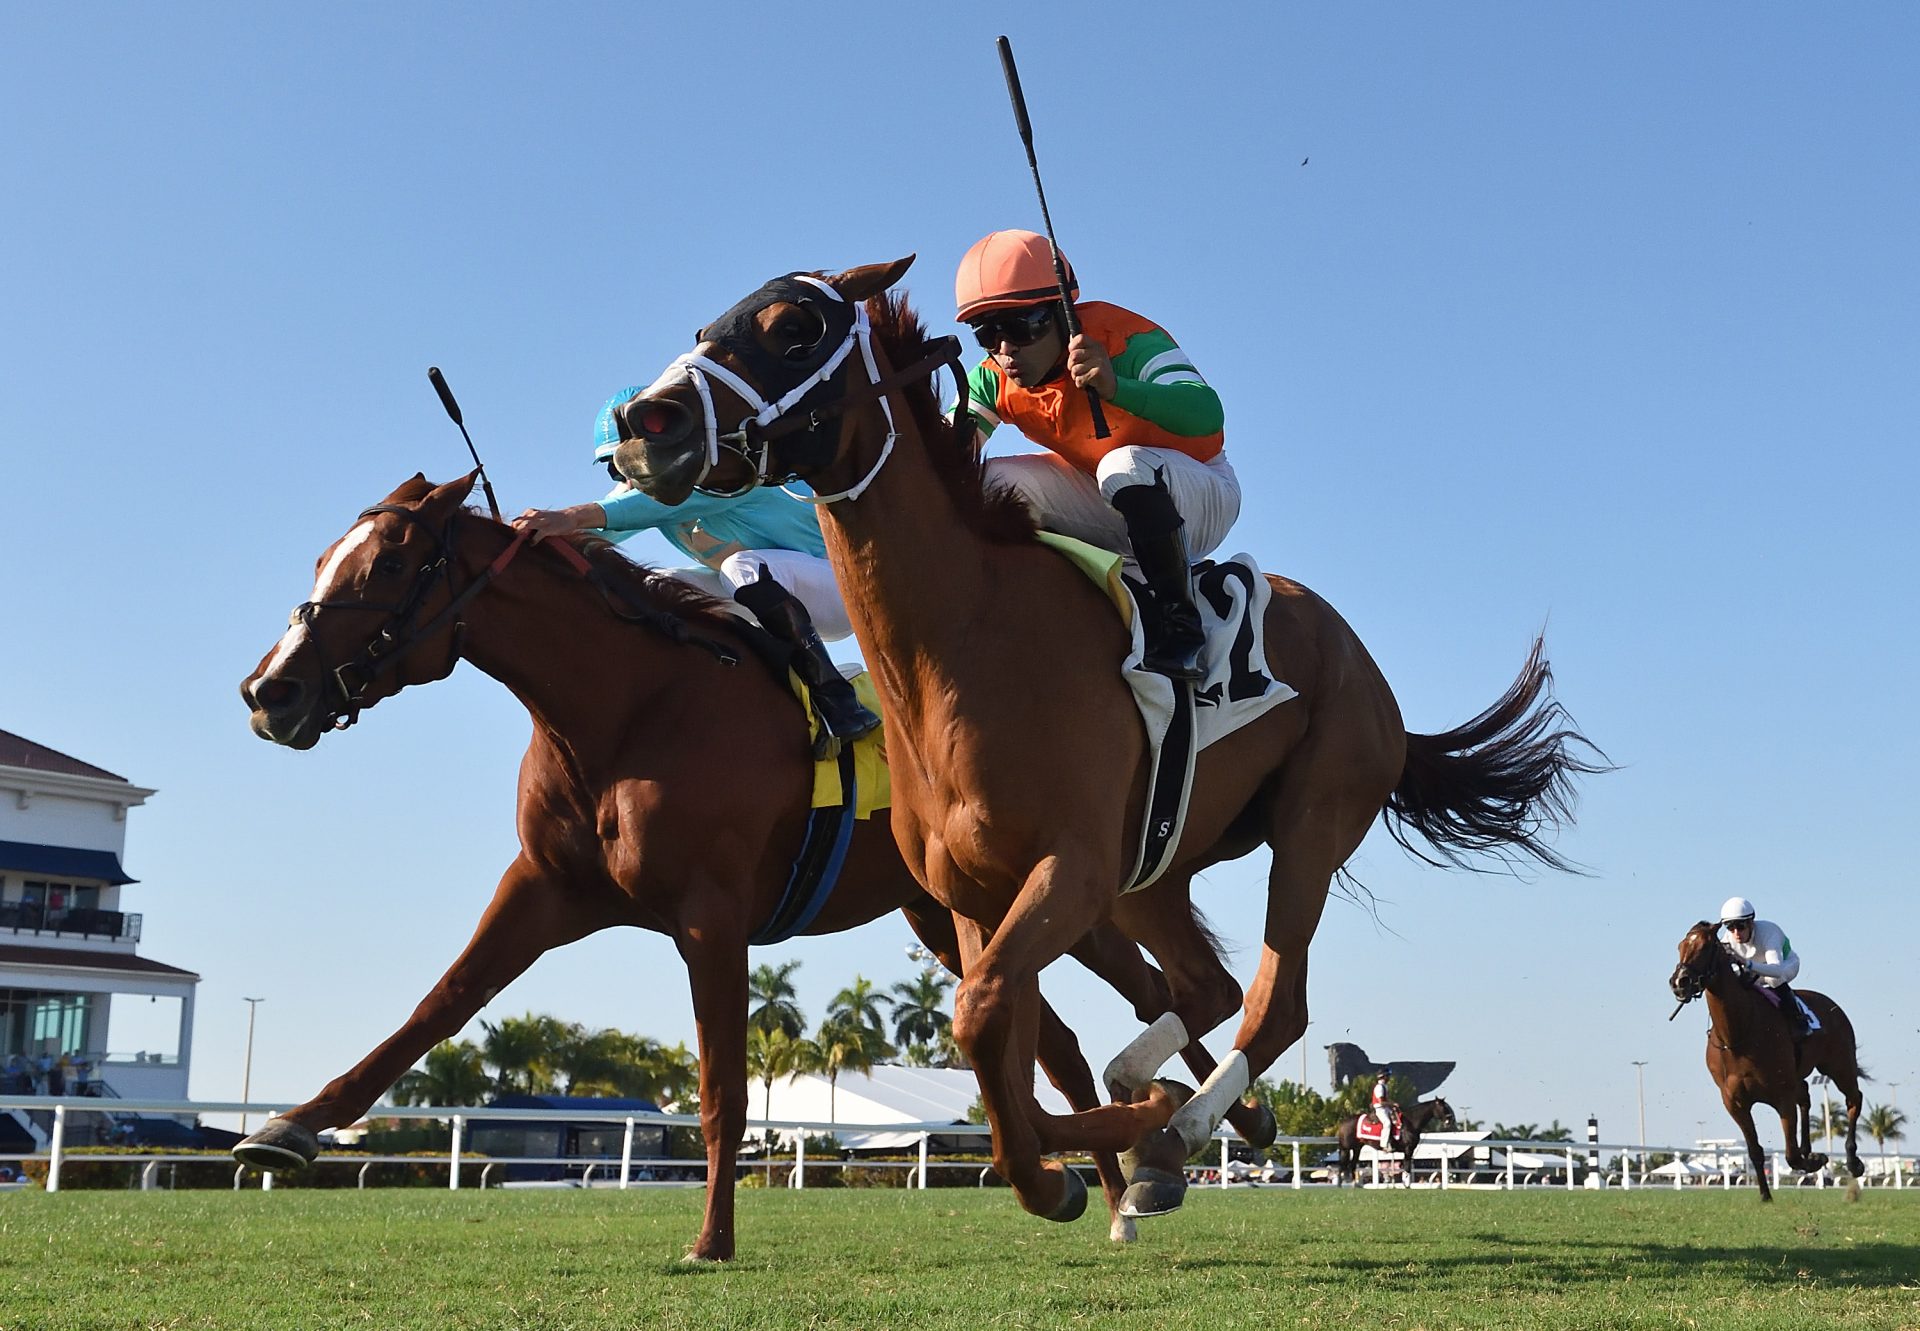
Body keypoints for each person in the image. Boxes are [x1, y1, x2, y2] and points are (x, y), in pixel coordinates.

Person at [513, 387, 879, 757]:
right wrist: (515, 545)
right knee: (658, 587)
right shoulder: (644, 497)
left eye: (634, 462)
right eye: (616, 467)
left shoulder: (724, 474)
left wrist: (570, 516)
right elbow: (593, 534)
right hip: (778, 595)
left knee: (742, 567)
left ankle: (836, 698)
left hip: (840, 590)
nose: (628, 477)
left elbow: (629, 510)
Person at [955, 229, 1240, 680]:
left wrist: (1115, 387)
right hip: (1104, 497)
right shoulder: (993, 377)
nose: (1005, 350)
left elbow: (1207, 415)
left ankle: (1182, 630)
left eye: (1021, 326)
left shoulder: (1127, 339)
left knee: (1122, 466)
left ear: (1063, 314)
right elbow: (943, 458)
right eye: (987, 333)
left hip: (1198, 494)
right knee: (988, 483)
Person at [1717, 896, 1809, 1037]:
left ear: (1751, 923)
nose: (1736, 933)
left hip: (1785, 965)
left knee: (1772, 979)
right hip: (1755, 971)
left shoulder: (1769, 932)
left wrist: (1746, 963)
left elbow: (1777, 971)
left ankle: (1798, 1019)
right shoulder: (1727, 940)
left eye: (1740, 926)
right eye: (1730, 927)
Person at [1370, 1066, 1398, 1146]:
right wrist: (1392, 1104)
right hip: (1380, 1109)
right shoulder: (1379, 1087)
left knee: (1396, 1121)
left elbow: (1387, 1099)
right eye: (1388, 1076)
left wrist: (1394, 1104)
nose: (1389, 1078)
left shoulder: (1385, 1086)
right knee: (1387, 1123)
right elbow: (1381, 1102)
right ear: (1384, 1076)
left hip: (1386, 1108)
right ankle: (1383, 1144)